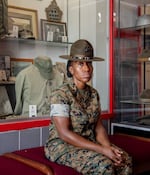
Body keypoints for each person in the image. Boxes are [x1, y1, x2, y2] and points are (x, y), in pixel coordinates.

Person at [44, 39, 132, 175]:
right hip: (63, 146)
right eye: (80, 64)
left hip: (88, 142)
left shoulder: (93, 94)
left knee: (124, 160)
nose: (87, 68)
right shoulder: (60, 94)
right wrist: (102, 150)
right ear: (71, 69)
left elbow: (98, 127)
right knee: (104, 166)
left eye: (89, 63)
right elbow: (64, 134)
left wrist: (107, 147)